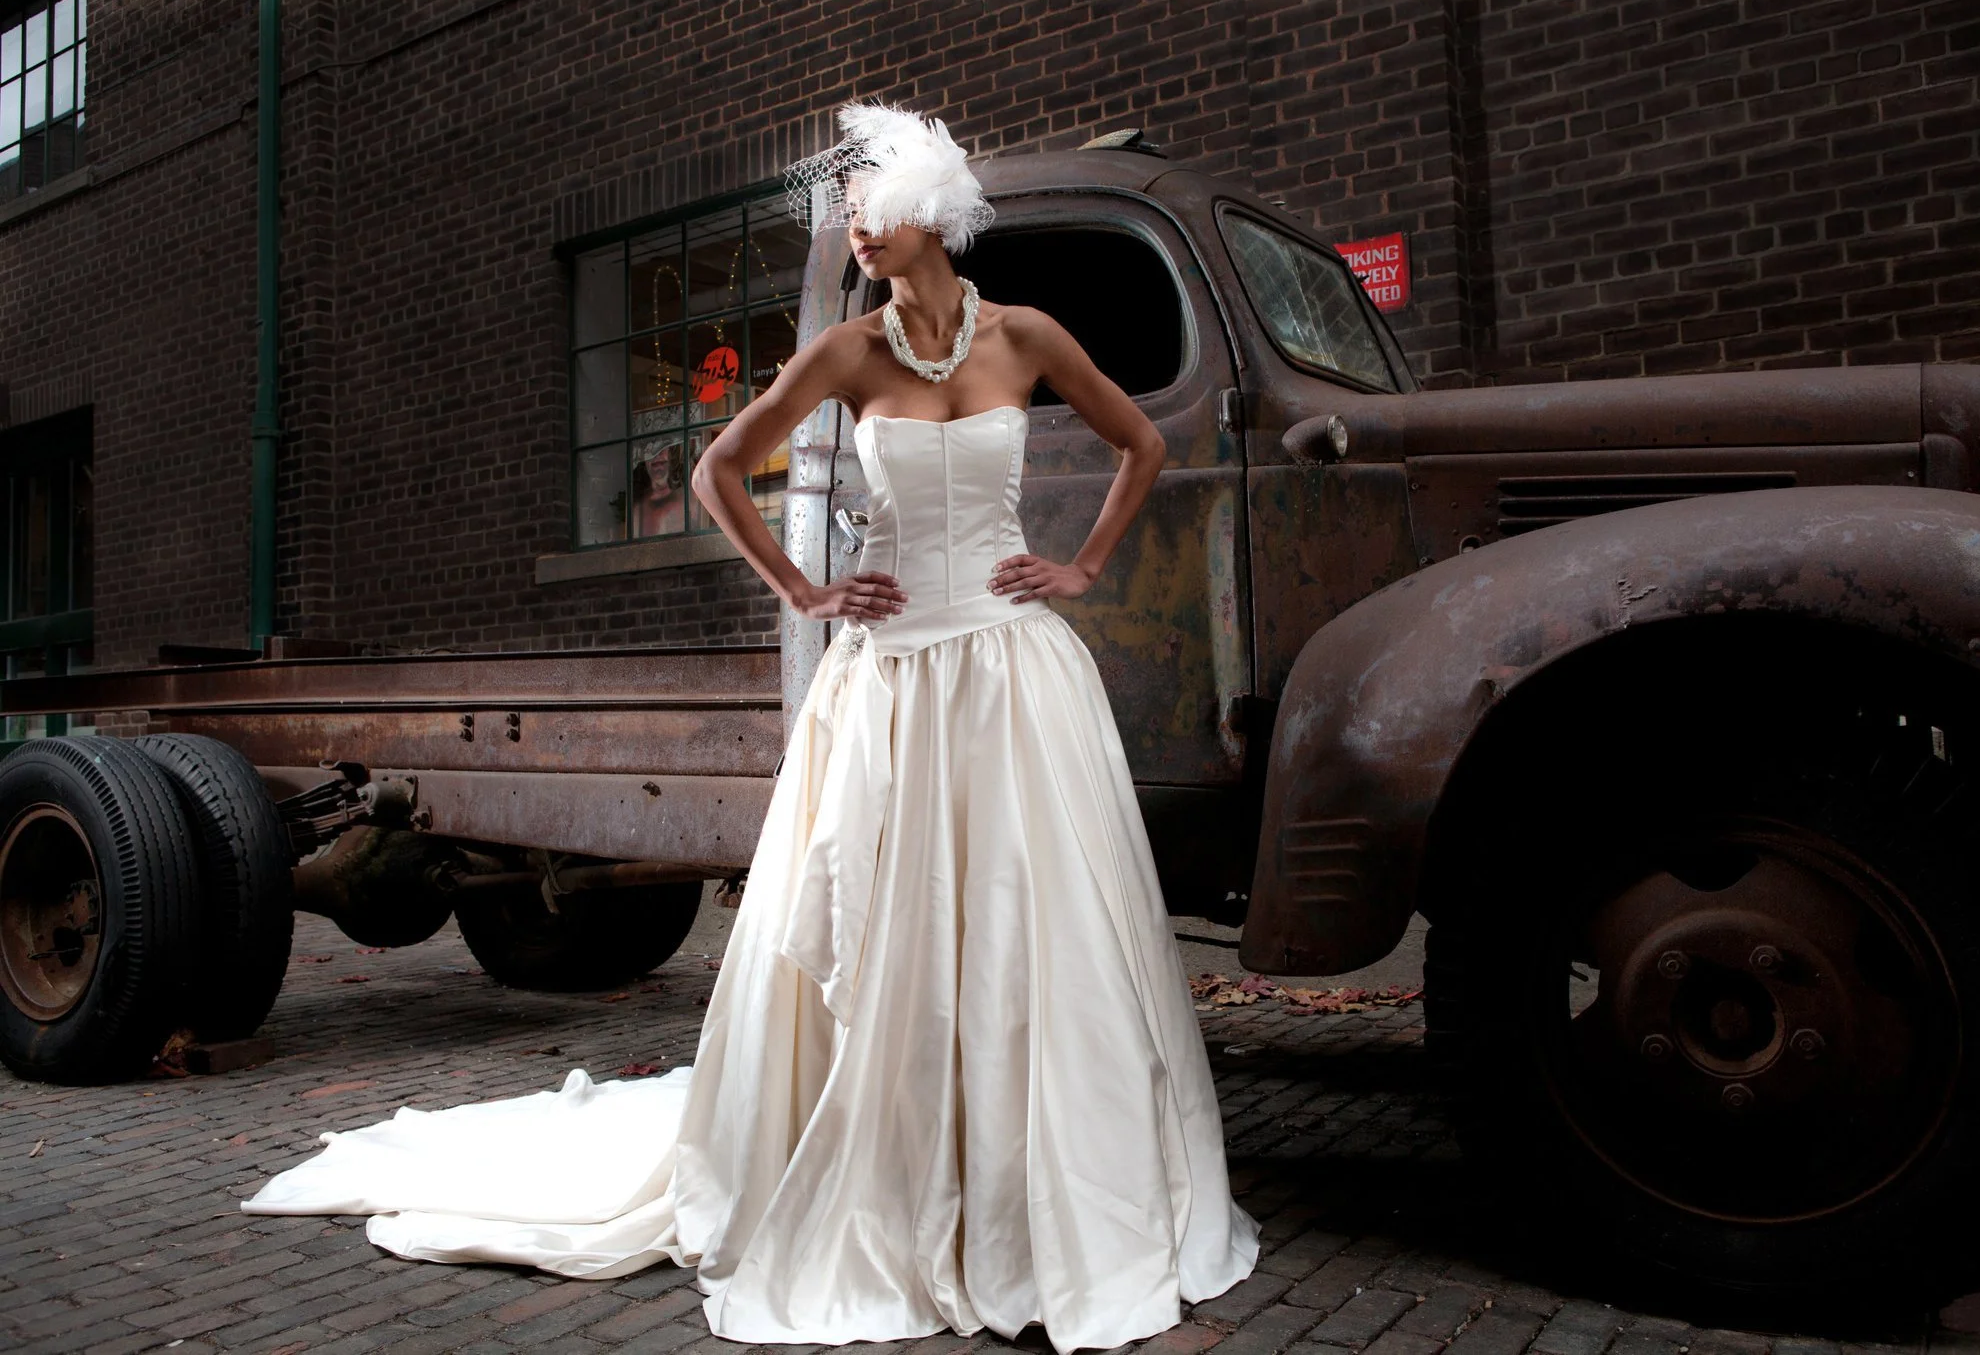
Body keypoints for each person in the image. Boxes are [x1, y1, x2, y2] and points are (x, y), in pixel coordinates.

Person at [241, 100, 1260, 1354]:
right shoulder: (845, 352)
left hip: (1007, 675)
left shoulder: (1029, 336)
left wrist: (1081, 565)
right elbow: (726, 467)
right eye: (846, 209)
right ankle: (884, 1157)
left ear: (928, 213)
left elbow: (1141, 441)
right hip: (887, 677)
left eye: (865, 206)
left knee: (1022, 921)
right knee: (885, 925)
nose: (849, 226)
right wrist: (805, 591)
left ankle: (1027, 1172)